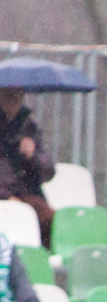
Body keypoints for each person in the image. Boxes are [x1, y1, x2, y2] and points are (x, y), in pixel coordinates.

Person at [0, 87, 56, 247]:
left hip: (29, 196)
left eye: (18, 95)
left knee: (52, 221)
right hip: (6, 197)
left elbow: (49, 171)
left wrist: (32, 156)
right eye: (8, 94)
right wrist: (5, 196)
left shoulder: (29, 127)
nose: (14, 99)